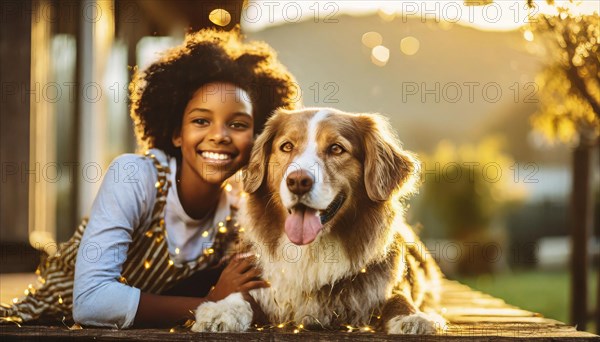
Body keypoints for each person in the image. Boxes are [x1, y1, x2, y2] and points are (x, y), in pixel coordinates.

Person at [0, 28, 299, 329]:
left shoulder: (237, 216)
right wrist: (209, 303)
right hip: (39, 326)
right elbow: (90, 302)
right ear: (177, 133)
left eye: (237, 124)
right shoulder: (134, 177)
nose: (219, 135)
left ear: (257, 139)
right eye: (201, 121)